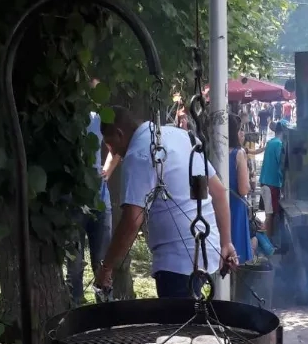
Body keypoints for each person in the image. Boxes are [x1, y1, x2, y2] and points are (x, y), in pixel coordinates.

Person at [94, 107, 238, 299]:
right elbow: (218, 191)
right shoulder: (182, 136)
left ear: (119, 134)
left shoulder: (138, 154)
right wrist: (226, 242)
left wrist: (106, 267)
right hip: (206, 251)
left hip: (176, 265)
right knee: (194, 315)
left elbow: (132, 220)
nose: (112, 152)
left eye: (110, 144)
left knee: (179, 317)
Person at [66, 111, 118, 304]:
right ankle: (75, 313)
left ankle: (106, 315)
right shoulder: (66, 116)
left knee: (103, 264)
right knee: (74, 268)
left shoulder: (97, 117)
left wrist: (107, 171)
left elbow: (116, 148)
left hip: (100, 201)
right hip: (72, 202)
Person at [228, 114, 253, 266]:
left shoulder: (214, 151)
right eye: (240, 129)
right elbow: (243, 189)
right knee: (236, 251)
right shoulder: (239, 153)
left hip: (218, 204)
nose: (242, 132)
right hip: (235, 207)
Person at [259, 118, 287, 240]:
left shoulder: (270, 143)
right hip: (272, 184)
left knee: (269, 213)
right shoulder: (279, 144)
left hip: (265, 182)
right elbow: (281, 165)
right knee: (270, 215)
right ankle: (269, 242)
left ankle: (268, 241)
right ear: (284, 132)